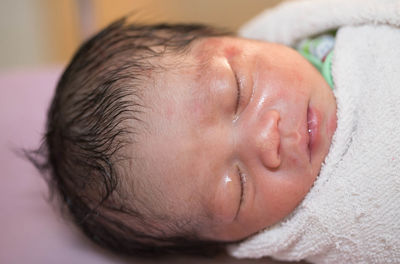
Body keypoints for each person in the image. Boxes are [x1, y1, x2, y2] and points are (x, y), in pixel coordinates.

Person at [28, 0, 400, 262]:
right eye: (237, 187)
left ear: (235, 40)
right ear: (241, 241)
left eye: (237, 90)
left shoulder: (327, 24)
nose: (268, 139)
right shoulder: (339, 227)